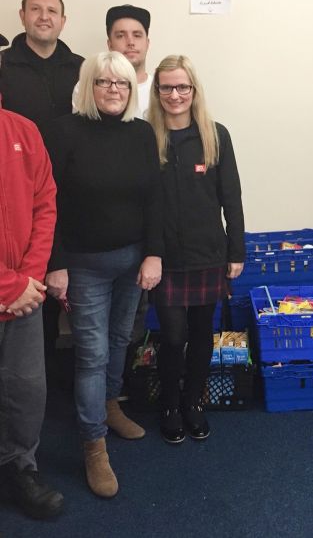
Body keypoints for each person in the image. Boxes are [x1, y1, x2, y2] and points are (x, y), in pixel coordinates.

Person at [42, 51, 163, 497]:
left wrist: (154, 255)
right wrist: (54, 263)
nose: (114, 90)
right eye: (105, 82)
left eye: (123, 84)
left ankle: (111, 405)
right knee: (91, 352)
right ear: (89, 85)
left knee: (119, 341)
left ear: (132, 91)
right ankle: (93, 444)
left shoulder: (142, 133)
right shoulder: (64, 131)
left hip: (132, 261)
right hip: (83, 264)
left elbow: (155, 199)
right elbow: (47, 200)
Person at [147, 55, 245, 444]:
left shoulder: (215, 134)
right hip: (165, 257)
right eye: (167, 87)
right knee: (172, 337)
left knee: (203, 332)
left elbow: (232, 198)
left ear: (194, 90)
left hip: (209, 254)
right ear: (157, 92)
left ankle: (193, 402)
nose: (175, 95)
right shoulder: (145, 135)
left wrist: (236, 250)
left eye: (182, 87)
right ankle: (169, 403)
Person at [0, 0, 83, 365]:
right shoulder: (4, 66)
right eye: (36, 9)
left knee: (63, 292)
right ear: (22, 16)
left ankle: (45, 385)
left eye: (52, 10)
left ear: (63, 21)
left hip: (74, 194)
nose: (44, 16)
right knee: (31, 291)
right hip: (19, 196)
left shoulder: (83, 68)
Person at [0, 106, 62, 518]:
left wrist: (29, 280)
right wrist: (10, 286)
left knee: (25, 391)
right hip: (13, 290)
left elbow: (45, 205)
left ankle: (18, 467)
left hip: (24, 296)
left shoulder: (24, 130)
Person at [72, 4, 152, 119]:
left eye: (137, 35)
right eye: (120, 36)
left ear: (147, 43)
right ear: (109, 44)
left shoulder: (160, 89)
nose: (130, 42)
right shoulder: (87, 87)